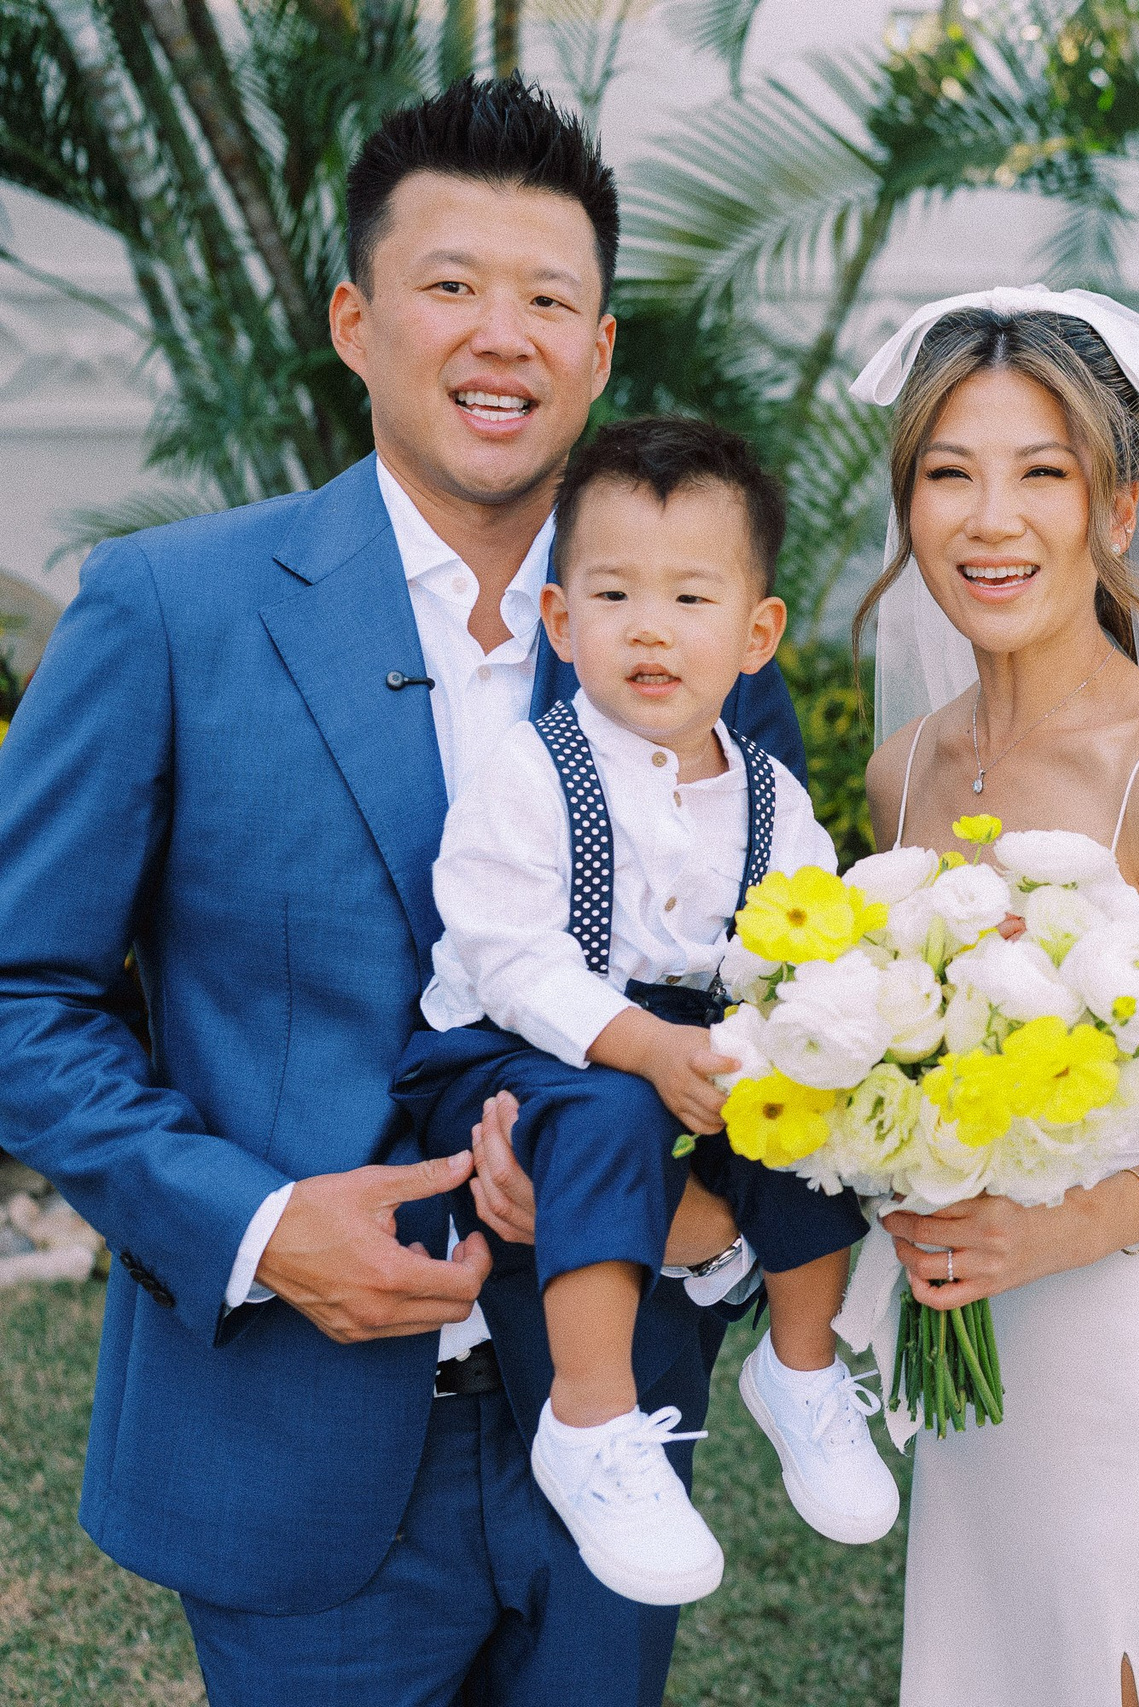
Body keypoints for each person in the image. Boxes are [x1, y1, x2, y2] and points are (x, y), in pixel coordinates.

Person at [0, 77, 805, 1705]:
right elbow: (24, 994)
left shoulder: (694, 623)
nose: (500, 335)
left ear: (599, 355)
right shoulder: (170, 607)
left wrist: (704, 1206)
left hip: (617, 1412)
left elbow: (767, 982)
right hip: (296, 1441)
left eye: (548, 299)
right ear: (357, 320)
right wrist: (265, 1224)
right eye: (451, 286)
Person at [835, 287, 1139, 1706]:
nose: (993, 519)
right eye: (951, 474)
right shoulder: (902, 770)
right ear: (909, 500)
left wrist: (1062, 1226)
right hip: (981, 1394)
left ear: (1117, 506)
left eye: (1043, 472)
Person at [392, 417, 893, 1608]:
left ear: (758, 633)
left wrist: (786, 1044)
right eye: (612, 595)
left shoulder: (774, 797)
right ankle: (595, 1418)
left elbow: (804, 950)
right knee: (614, 1111)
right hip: (520, 1049)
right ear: (561, 622)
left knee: (807, 1113)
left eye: (690, 597)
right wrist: (647, 1047)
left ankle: (804, 1368)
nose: (650, 629)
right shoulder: (533, 770)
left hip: (690, 1047)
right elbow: (502, 952)